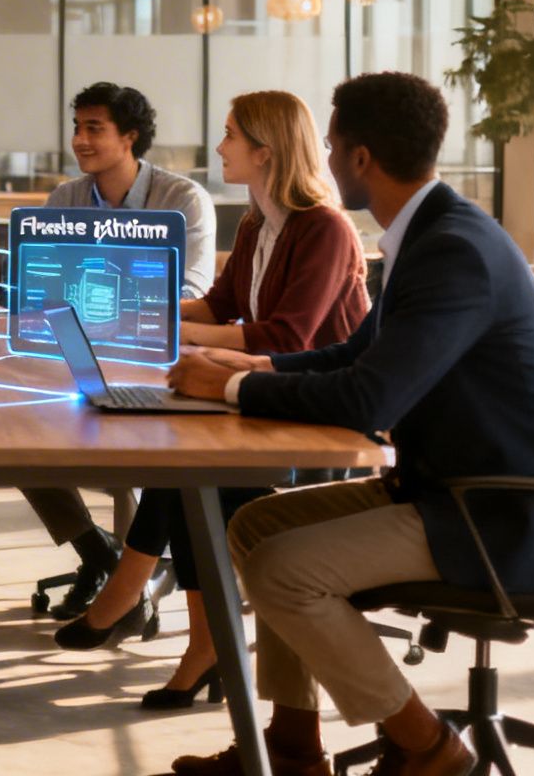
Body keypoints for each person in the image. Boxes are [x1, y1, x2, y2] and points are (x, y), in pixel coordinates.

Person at [164, 72, 534, 776]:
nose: (325, 161)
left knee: (282, 569)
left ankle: (429, 747)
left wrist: (234, 385)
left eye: (331, 146)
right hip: (448, 484)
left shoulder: (454, 250)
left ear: (360, 158)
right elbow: (353, 352)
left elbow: (369, 401)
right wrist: (250, 372)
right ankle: (293, 745)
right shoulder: (431, 232)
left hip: (494, 511)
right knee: (256, 526)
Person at [53, 91, 369, 715]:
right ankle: (194, 636)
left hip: (321, 410)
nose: (219, 147)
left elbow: (288, 337)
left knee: (198, 473)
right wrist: (131, 316)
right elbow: (221, 307)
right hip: (267, 392)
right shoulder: (257, 221)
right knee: (185, 461)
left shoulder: (324, 227)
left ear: (266, 150)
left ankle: (141, 604)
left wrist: (170, 334)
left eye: (229, 136)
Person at [17, 82, 217, 622]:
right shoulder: (65, 198)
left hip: (155, 362)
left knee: (138, 445)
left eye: (94, 128)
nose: (80, 140)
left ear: (130, 137)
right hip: (77, 356)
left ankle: (126, 582)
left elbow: (193, 291)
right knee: (16, 427)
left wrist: (125, 307)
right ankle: (98, 554)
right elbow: (44, 288)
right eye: (77, 127)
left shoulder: (182, 199)